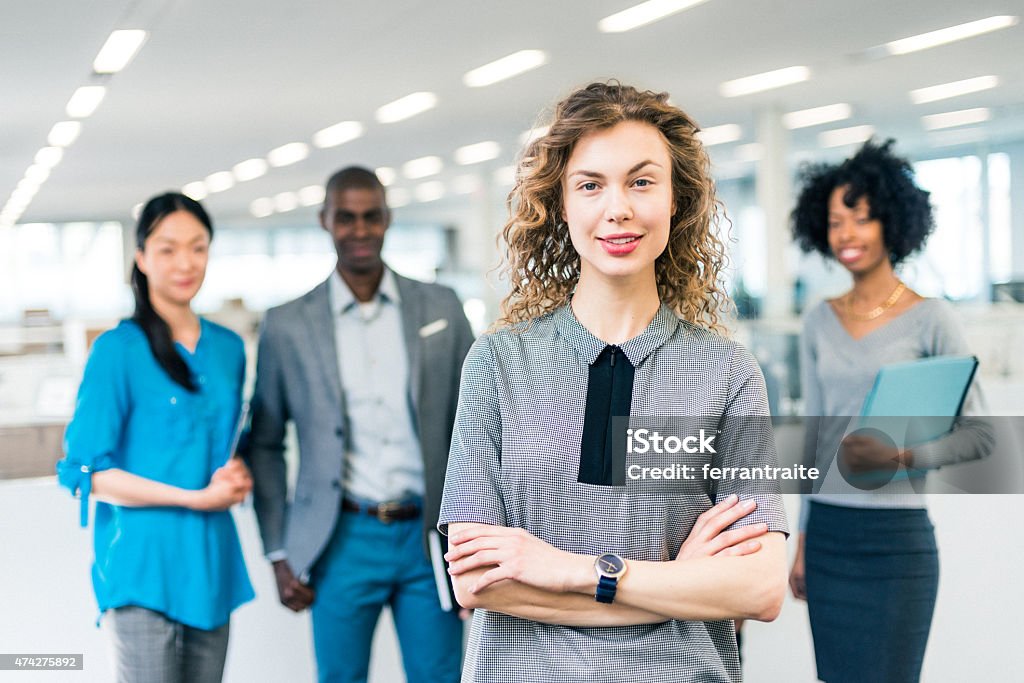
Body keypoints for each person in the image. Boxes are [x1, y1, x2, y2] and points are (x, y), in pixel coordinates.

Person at [439, 82, 789, 682]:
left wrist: (574, 570)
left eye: (642, 181)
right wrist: (679, 581)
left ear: (676, 200)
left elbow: (759, 589)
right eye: (591, 185)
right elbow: (476, 583)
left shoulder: (725, 374)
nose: (617, 207)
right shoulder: (496, 363)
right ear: (563, 204)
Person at [245, 166, 475, 683]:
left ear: (388, 219)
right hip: (340, 538)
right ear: (325, 221)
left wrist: (480, 540)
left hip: (430, 538)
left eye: (371, 216)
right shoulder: (288, 325)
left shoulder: (441, 306)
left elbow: (479, 427)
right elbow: (263, 443)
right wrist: (280, 551)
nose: (360, 230)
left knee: (440, 676)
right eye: (346, 218)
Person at [788, 139, 994, 682]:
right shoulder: (817, 320)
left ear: (893, 223)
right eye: (835, 222)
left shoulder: (932, 318)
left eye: (862, 218)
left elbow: (979, 436)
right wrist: (803, 542)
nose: (847, 234)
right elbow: (815, 437)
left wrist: (904, 455)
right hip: (830, 540)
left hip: (897, 545)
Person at [56, 192, 254, 683]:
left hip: (210, 564)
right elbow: (86, 473)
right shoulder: (117, 351)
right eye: (167, 249)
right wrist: (195, 497)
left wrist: (236, 473)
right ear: (141, 257)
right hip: (142, 566)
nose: (185, 262)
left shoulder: (228, 348)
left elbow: (222, 444)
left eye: (198, 247)